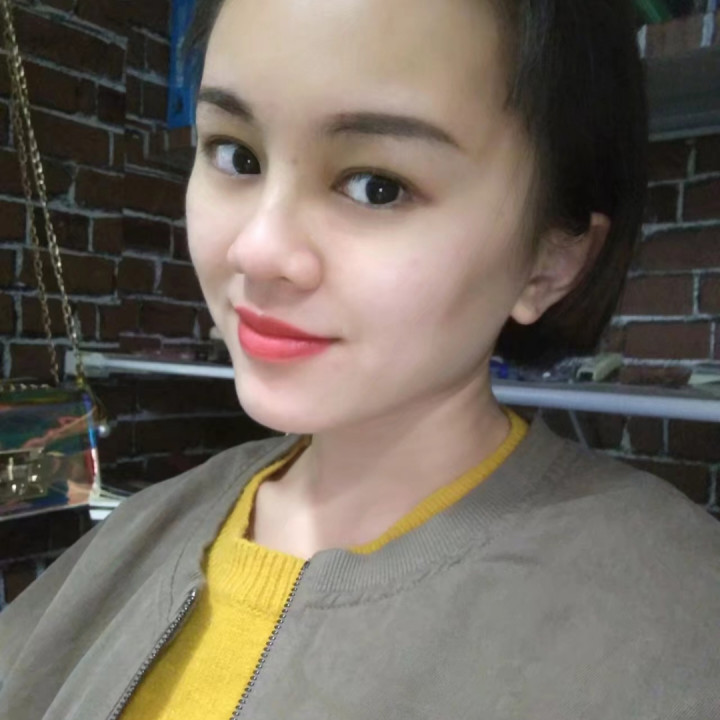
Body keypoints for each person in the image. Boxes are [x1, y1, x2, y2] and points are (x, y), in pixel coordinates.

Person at [1, 0, 719, 718]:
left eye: (378, 186)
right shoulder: (137, 533)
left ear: (551, 261)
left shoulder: (673, 622)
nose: (258, 250)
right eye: (235, 155)